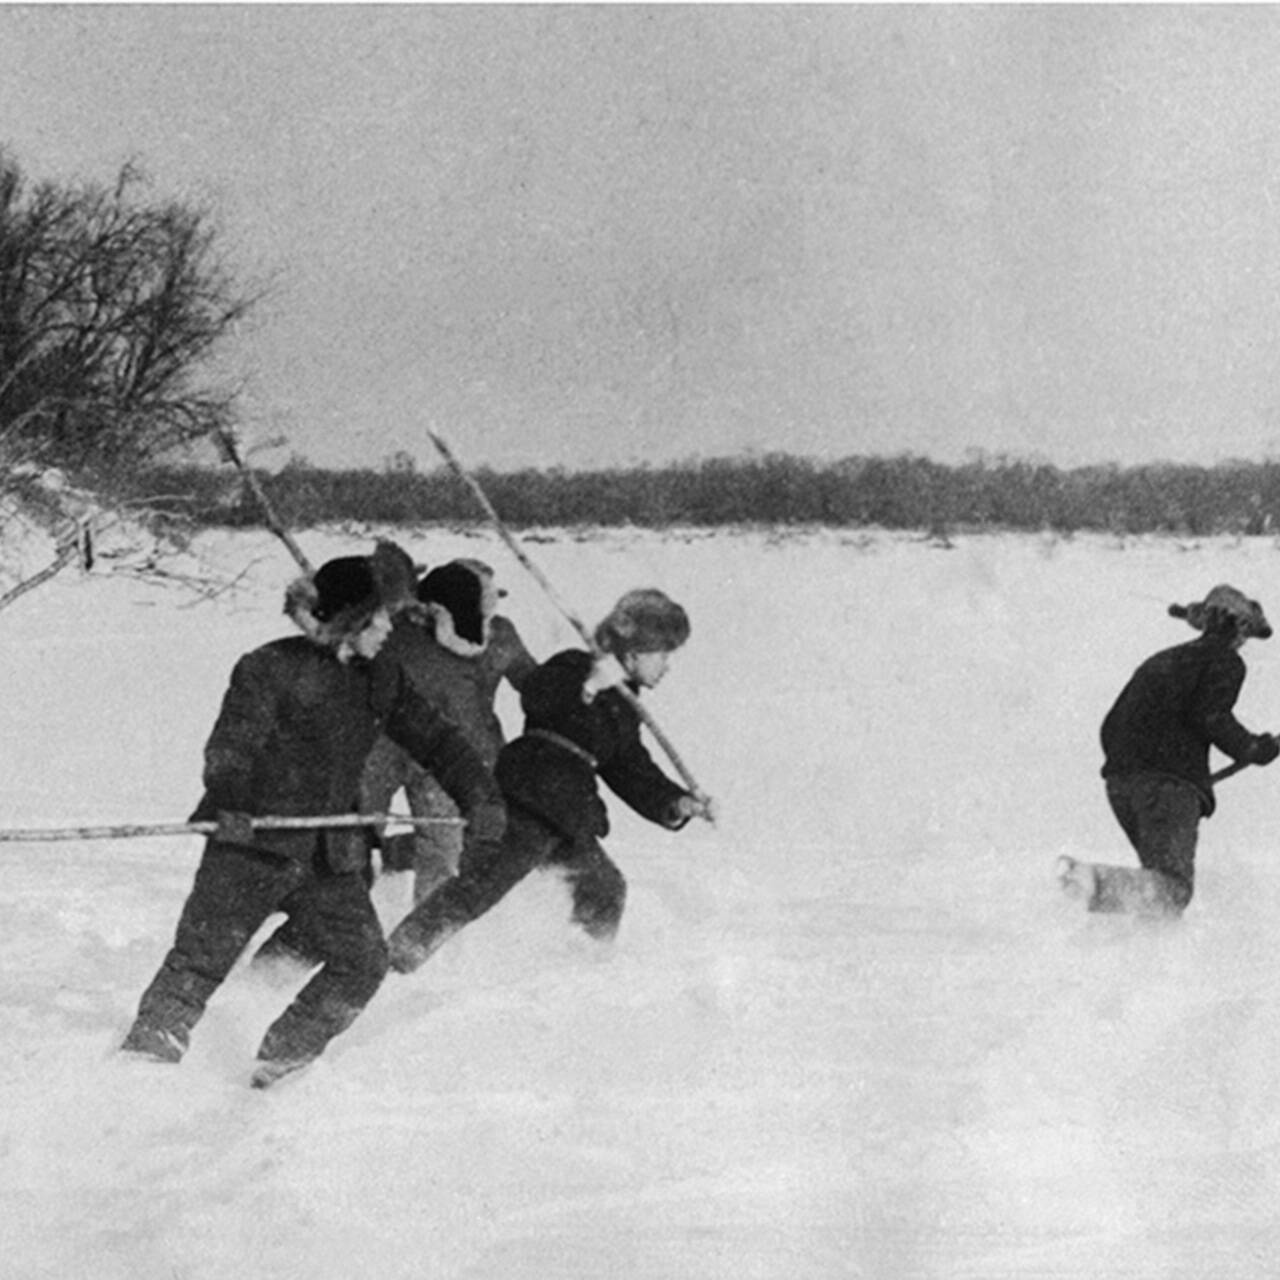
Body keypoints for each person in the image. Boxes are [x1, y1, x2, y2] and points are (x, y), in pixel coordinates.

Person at [119, 547, 506, 1088]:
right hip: (251, 845)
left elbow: (439, 741)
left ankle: (279, 1063)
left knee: (363, 963)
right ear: (350, 620)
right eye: (377, 619)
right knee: (199, 962)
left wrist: (480, 799)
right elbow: (231, 750)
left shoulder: (381, 677)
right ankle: (142, 1067)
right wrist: (232, 803)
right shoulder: (268, 667)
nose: (387, 629)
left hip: (330, 857)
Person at [385, 587, 716, 974]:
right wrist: (591, 684)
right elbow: (538, 697)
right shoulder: (573, 665)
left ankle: (585, 967)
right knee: (484, 883)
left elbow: (631, 769)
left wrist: (677, 804)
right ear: (635, 651)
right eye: (663, 654)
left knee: (604, 888)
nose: (666, 665)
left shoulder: (626, 707)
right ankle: (401, 952)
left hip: (569, 812)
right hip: (531, 792)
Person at [1058, 584, 1278, 917]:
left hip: (1121, 787)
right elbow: (1211, 716)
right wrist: (1251, 747)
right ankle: (1094, 882)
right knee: (1172, 890)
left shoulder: (1162, 660)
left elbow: (1111, 726)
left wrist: (1138, 769)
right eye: (1245, 633)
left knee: (1155, 890)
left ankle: (1145, 956)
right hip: (1168, 791)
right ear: (1238, 628)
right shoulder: (1225, 660)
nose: (1243, 643)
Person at [361, 557, 538, 901]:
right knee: (358, 831)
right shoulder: (399, 629)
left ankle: (428, 934)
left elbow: (534, 685)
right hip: (385, 747)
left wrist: (582, 684)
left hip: (453, 754)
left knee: (444, 847)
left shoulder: (500, 636)